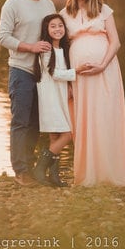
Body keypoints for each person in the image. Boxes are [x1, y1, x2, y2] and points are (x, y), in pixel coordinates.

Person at [60, 0, 125, 187]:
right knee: (84, 119)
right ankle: (87, 175)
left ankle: (110, 173)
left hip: (105, 71)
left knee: (104, 115)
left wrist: (102, 65)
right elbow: (61, 50)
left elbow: (115, 42)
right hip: (79, 76)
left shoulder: (103, 10)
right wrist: (67, 81)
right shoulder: (64, 14)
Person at [0, 0, 56, 187]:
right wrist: (30, 47)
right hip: (21, 70)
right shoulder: (13, 4)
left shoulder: (49, 5)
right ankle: (21, 171)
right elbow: (2, 37)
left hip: (44, 73)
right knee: (21, 121)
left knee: (36, 123)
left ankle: (30, 166)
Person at [32, 14, 86, 187]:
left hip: (60, 97)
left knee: (55, 137)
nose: (57, 29)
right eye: (53, 26)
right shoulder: (46, 49)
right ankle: (39, 168)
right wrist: (76, 72)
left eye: (60, 26)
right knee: (67, 135)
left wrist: (70, 85)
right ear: (46, 30)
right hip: (50, 98)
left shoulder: (63, 49)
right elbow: (54, 73)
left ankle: (54, 177)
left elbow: (61, 72)